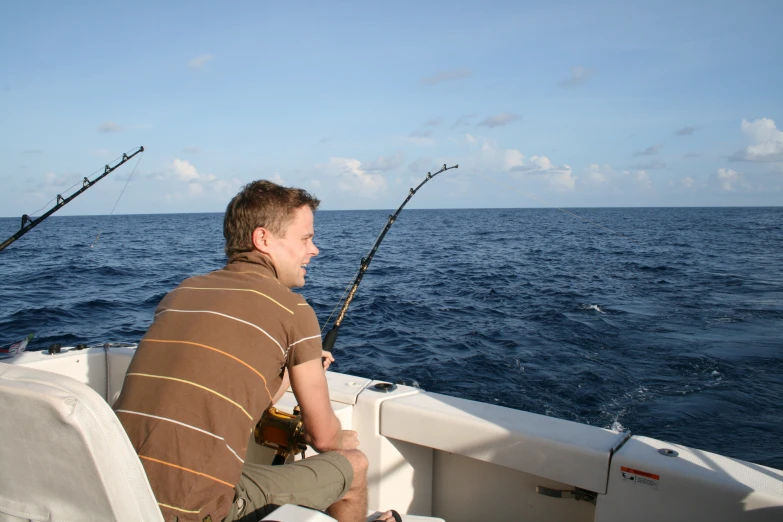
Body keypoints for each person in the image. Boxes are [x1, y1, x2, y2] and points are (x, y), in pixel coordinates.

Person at [114, 181, 399, 522]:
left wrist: (293, 374)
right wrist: (344, 439)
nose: (315, 250)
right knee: (354, 465)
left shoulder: (181, 293)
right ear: (263, 239)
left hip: (118, 491)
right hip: (191, 511)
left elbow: (241, 394)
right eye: (305, 238)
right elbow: (322, 438)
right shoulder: (294, 309)